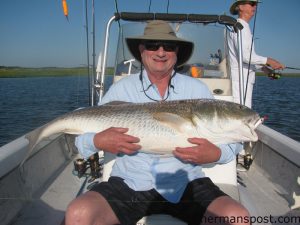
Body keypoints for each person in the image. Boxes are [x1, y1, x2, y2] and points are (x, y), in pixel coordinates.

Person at [65, 20, 250, 225]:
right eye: (153, 45)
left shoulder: (197, 90)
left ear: (176, 51)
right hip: (130, 181)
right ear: (141, 50)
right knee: (78, 213)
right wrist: (98, 141)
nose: (161, 52)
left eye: (168, 46)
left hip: (186, 181)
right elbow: (81, 136)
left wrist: (216, 153)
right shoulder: (120, 90)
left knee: (237, 218)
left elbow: (234, 137)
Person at [227, 0, 285, 108]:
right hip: (240, 82)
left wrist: (264, 69)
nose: (255, 6)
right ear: (240, 6)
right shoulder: (240, 27)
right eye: (252, 4)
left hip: (244, 81)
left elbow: (247, 57)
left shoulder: (242, 27)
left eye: (256, 4)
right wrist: (269, 61)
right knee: (243, 114)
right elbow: (244, 56)